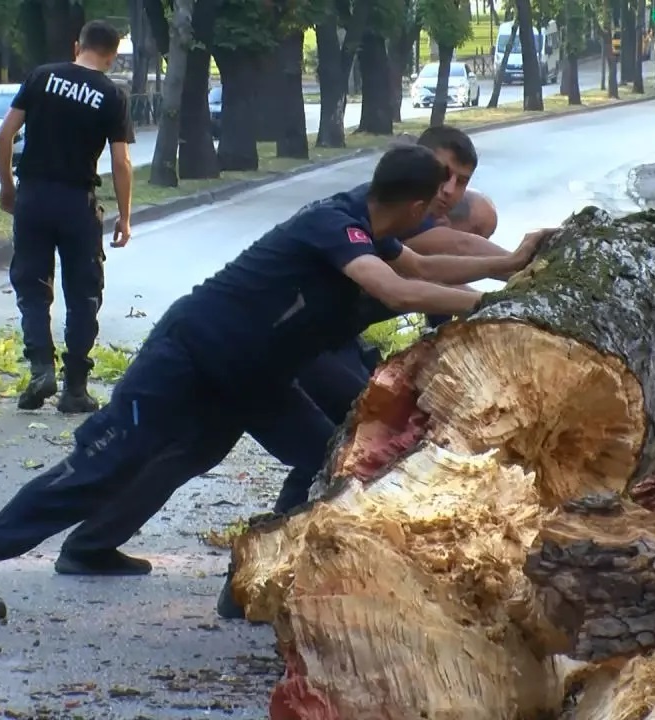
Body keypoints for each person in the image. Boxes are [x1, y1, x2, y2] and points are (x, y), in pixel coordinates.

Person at [0, 146, 551, 620]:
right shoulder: (334, 225)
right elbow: (394, 286)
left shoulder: (375, 227)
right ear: (415, 206)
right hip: (193, 356)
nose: (445, 203)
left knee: (326, 460)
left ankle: (251, 582)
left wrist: (510, 265)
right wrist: (485, 303)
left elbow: (420, 264)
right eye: (439, 194)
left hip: (255, 374)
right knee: (108, 463)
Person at [49, 126, 502, 575]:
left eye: (461, 181)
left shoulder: (407, 220)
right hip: (281, 347)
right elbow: (450, 253)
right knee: (340, 444)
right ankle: (274, 563)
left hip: (318, 344)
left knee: (204, 449)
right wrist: (521, 266)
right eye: (445, 176)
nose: (449, 190)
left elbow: (445, 303)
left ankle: (94, 544)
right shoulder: (399, 219)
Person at [0, 20, 135, 415]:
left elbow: (4, 135)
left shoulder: (41, 77)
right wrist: (124, 217)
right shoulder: (111, 94)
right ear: (110, 56)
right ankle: (75, 387)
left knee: (32, 285)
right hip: (77, 202)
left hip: (34, 197)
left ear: (78, 45)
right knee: (83, 292)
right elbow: (122, 162)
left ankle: (41, 367)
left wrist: (8, 188)